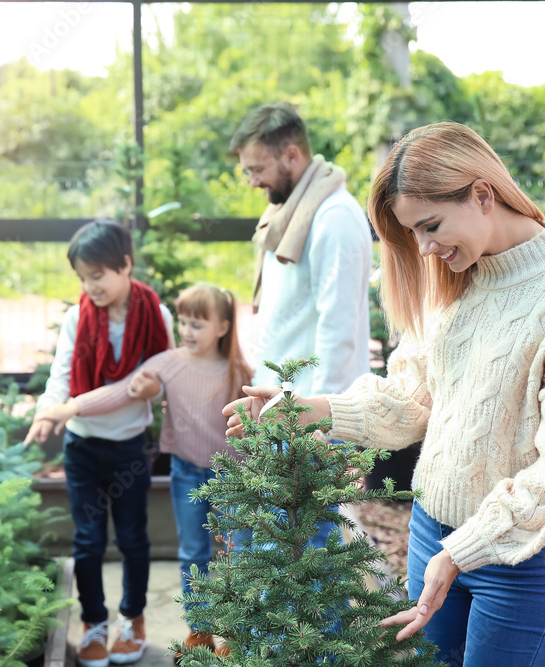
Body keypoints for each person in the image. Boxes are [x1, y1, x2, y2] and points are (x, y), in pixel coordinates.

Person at [223, 121, 545, 666]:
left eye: (431, 225)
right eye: (412, 233)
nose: (425, 248)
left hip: (518, 566)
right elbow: (408, 402)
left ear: (482, 194)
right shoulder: (455, 279)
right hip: (430, 538)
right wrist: (300, 411)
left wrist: (461, 552)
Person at [34, 283, 252, 661]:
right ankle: (199, 630)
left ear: (223, 327)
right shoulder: (170, 362)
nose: (186, 331)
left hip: (231, 476)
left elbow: (252, 423)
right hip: (186, 474)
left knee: (237, 553)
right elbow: (120, 391)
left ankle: (237, 632)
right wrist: (69, 408)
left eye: (197, 324)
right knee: (192, 554)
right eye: (182, 322)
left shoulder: (238, 370)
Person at [24, 219, 174, 667]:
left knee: (132, 538)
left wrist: (155, 390)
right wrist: (47, 410)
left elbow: (162, 380)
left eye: (98, 275)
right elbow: (61, 376)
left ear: (125, 265)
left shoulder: (156, 315)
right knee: (87, 541)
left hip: (129, 445)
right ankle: (94, 623)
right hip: (83, 447)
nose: (90, 287)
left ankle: (133, 619)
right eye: (82, 278)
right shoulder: (77, 318)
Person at [230, 102, 372, 397]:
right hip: (282, 405)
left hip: (313, 416)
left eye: (257, 169)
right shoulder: (285, 214)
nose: (253, 182)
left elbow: (339, 326)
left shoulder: (334, 217)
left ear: (291, 156)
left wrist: (319, 424)